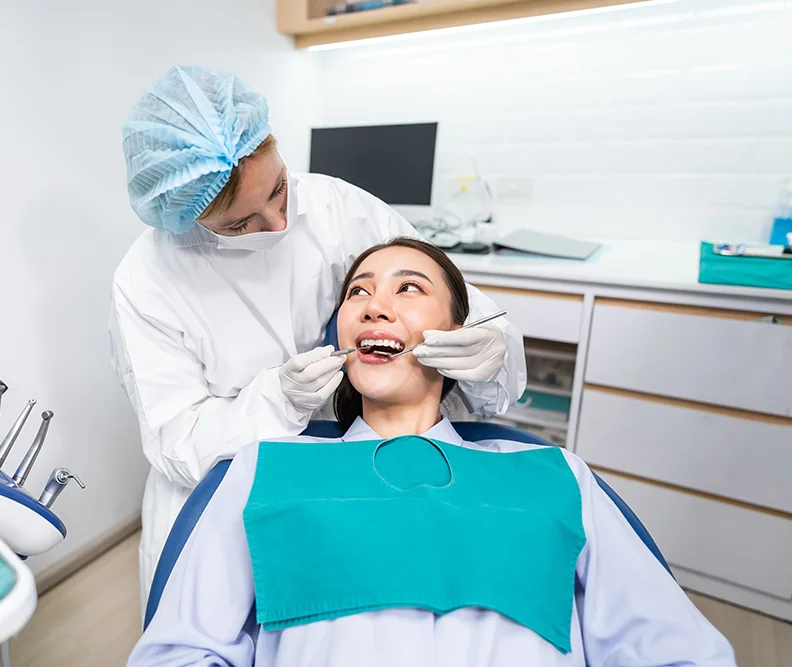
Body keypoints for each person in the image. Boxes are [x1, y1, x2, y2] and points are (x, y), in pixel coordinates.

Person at [127, 238, 736, 667]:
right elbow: (181, 651)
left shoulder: (554, 476)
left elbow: (674, 650)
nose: (375, 304)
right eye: (357, 293)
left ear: (460, 330)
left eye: (409, 288)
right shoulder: (262, 472)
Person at [110, 65, 528, 608]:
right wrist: (275, 402)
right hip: (225, 501)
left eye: (280, 189)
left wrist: (489, 341)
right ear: (187, 218)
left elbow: (444, 290)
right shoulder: (147, 279)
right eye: (241, 224)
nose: (279, 222)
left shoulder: (341, 208)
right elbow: (177, 442)